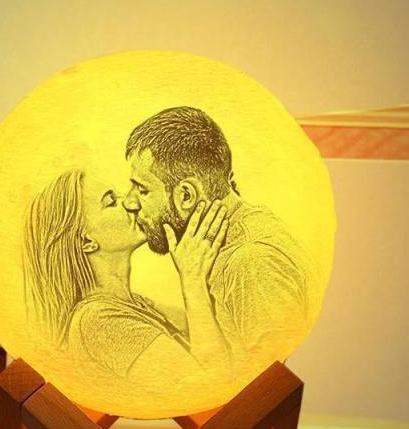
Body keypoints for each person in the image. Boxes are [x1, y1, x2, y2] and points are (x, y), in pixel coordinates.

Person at [123, 106, 313, 361]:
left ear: (186, 196)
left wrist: (192, 284)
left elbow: (263, 382)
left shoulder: (251, 261)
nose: (129, 202)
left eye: (142, 190)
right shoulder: (234, 241)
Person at [22, 168, 230, 380]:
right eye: (111, 202)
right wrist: (193, 281)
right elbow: (207, 384)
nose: (131, 203)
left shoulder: (137, 304)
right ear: (87, 241)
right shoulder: (100, 323)